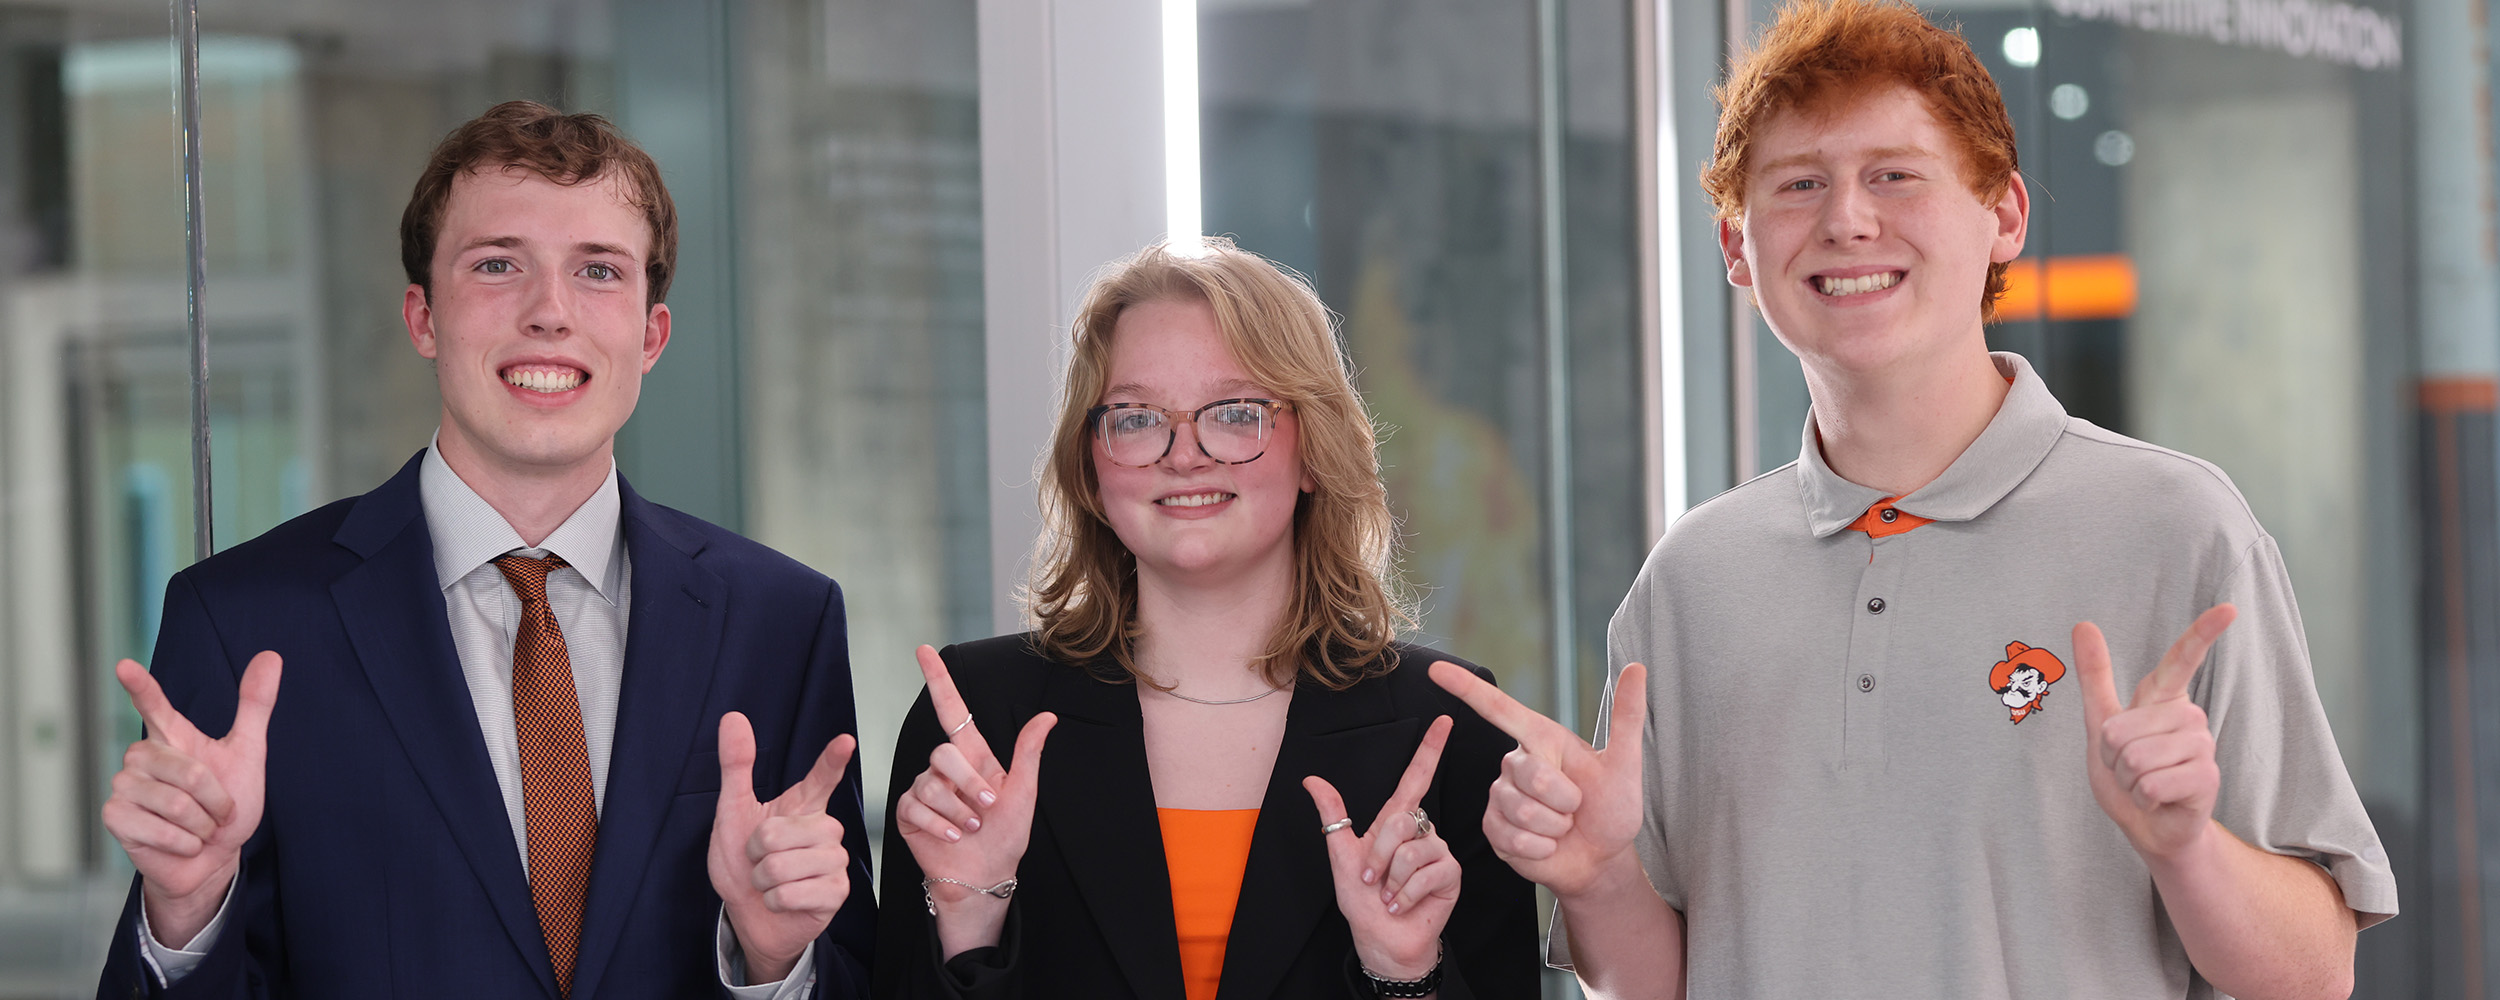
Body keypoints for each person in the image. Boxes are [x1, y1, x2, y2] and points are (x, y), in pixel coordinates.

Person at [1430, 1, 2398, 997]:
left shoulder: (2177, 528)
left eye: (1893, 174)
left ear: (2004, 216)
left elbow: (2316, 973)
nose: (1846, 218)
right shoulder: (1691, 582)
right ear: (1735, 248)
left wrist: (2185, 847)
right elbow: (1665, 982)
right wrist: (1593, 880)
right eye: (1799, 184)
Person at [95, 101, 877, 999]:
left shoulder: (780, 623)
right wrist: (187, 913)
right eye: (498, 265)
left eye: (598, 271)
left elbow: (859, 971)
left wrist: (776, 962)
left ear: (651, 335)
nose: (550, 312)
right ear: (423, 319)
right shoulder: (243, 620)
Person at [869, 238, 1538, 999]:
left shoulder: (1449, 728)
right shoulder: (976, 721)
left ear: (1312, 450)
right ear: (1092, 465)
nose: (1183, 454)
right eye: (1135, 417)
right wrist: (969, 921)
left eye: (1234, 413)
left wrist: (1405, 977)